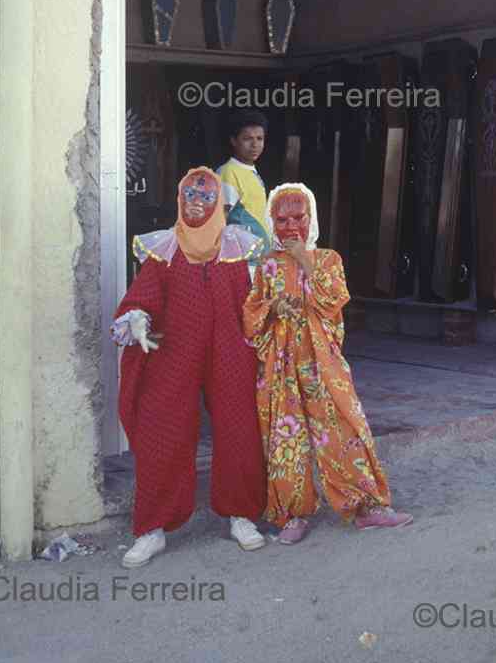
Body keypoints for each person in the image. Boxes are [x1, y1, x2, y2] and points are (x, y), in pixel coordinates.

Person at [111, 167, 267, 567]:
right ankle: (152, 528)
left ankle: (241, 514)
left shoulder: (236, 247)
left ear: (219, 203)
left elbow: (251, 303)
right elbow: (140, 298)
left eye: (206, 196)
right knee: (161, 428)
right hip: (174, 349)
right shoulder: (165, 249)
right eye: (190, 196)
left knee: (239, 427)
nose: (197, 203)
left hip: (229, 348)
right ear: (179, 201)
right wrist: (138, 319)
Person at [243, 182, 413, 544]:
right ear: (271, 222)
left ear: (312, 218)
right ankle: (293, 514)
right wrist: (274, 307)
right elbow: (251, 314)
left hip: (323, 364)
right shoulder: (267, 265)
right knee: (285, 438)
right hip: (282, 366)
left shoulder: (328, 259)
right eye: (282, 220)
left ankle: (367, 507)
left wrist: (304, 258)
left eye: (298, 218)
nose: (291, 226)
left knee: (345, 428)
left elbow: (334, 298)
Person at [217, 111, 272, 263]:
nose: (255, 145)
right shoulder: (228, 172)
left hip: (259, 261)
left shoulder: (250, 171)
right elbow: (219, 219)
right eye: (247, 139)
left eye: (259, 138)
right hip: (242, 263)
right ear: (234, 141)